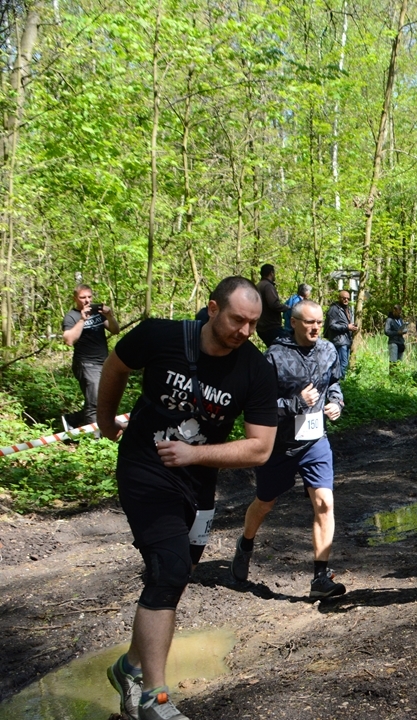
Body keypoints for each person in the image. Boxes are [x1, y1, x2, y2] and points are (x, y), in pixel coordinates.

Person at [97, 276, 278, 720]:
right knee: (170, 567)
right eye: (237, 320)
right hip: (145, 469)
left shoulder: (255, 369)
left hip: (198, 481)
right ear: (213, 309)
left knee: (179, 573)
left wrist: (195, 454)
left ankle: (129, 667)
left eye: (253, 324)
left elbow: (260, 448)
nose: (245, 331)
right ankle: (153, 699)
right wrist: (104, 420)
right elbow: (115, 366)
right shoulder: (160, 336)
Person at [231, 300, 347, 599]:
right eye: (309, 322)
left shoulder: (328, 350)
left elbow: (334, 383)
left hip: (315, 441)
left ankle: (320, 578)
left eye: (319, 322)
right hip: (279, 444)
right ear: (293, 322)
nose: (316, 328)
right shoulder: (274, 356)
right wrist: (296, 403)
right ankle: (246, 543)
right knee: (265, 503)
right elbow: (259, 406)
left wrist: (336, 402)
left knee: (324, 503)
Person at [61, 284, 119, 431]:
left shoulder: (97, 313)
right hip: (86, 363)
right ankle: (95, 438)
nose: (87, 300)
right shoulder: (71, 317)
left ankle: (72, 419)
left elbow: (115, 330)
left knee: (105, 400)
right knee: (95, 403)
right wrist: (82, 320)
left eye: (89, 297)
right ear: (75, 298)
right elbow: (69, 340)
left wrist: (109, 315)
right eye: (82, 297)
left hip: (104, 362)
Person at [255, 264, 289, 348]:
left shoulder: (258, 285)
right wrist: (287, 307)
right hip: (271, 326)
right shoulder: (268, 286)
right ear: (271, 273)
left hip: (261, 326)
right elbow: (274, 304)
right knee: (285, 347)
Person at [325, 290, 359, 374]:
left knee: (344, 364)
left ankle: (341, 380)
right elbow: (331, 326)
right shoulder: (334, 309)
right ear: (339, 298)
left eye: (348, 298)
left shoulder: (348, 309)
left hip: (347, 340)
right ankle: (341, 381)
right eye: (344, 298)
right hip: (339, 341)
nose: (346, 300)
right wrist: (347, 327)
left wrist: (353, 327)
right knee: (343, 364)